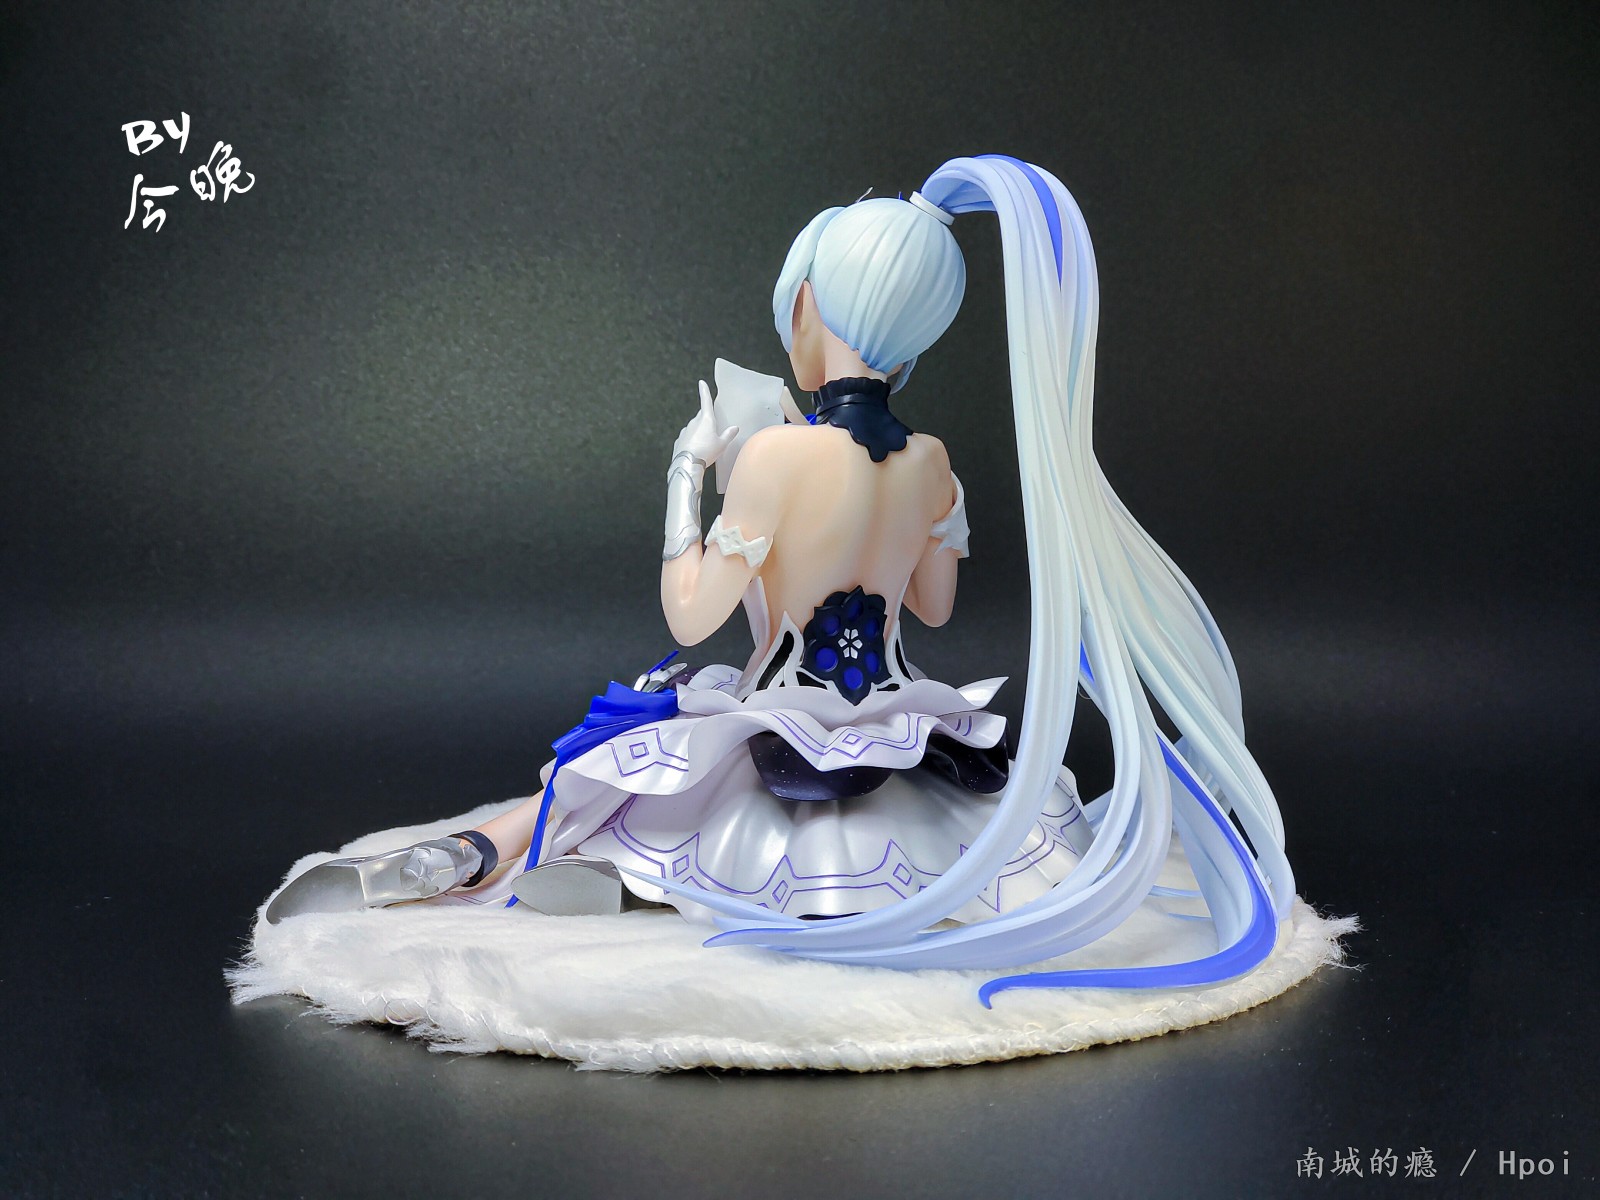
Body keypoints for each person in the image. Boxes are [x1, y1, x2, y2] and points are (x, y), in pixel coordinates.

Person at [266, 155, 1293, 1000]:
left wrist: (688, 470)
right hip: (901, 720)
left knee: (606, 769)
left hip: (779, 718)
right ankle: (569, 870)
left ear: (809, 306)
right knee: (722, 784)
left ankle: (487, 858)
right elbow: (934, 606)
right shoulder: (933, 462)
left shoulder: (773, 456)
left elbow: (689, 613)